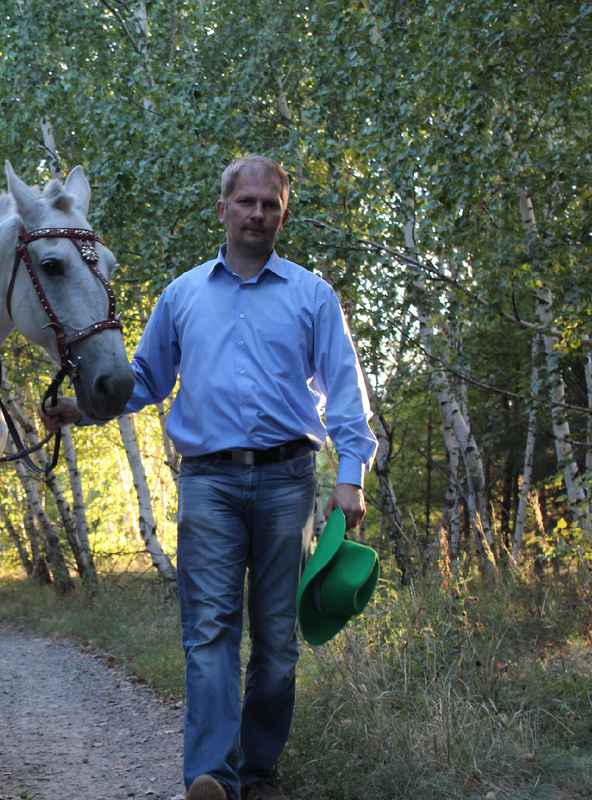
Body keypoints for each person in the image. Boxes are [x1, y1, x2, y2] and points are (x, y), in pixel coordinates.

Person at [41, 155, 378, 800]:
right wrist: (81, 409)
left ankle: (259, 771)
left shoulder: (312, 296)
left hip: (288, 482)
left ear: (283, 213)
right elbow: (144, 381)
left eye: (269, 204)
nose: (257, 214)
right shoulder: (182, 295)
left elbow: (344, 392)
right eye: (246, 202)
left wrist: (351, 476)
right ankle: (211, 777)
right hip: (208, 485)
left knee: (277, 642)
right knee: (211, 631)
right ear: (222, 210)